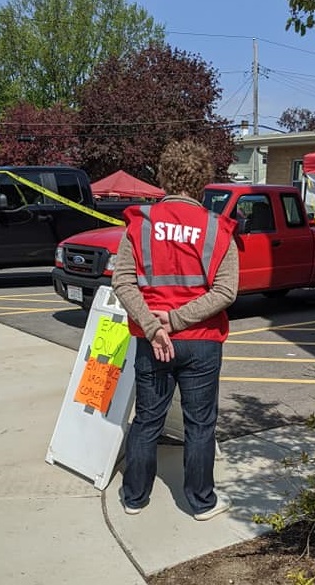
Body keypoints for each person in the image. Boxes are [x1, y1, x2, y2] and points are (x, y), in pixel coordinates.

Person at [111, 139, 239, 521]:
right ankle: (201, 502)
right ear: (202, 181)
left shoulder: (140, 225)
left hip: (154, 343)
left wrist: (154, 325)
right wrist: (179, 319)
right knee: (200, 425)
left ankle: (134, 497)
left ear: (164, 177)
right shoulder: (218, 229)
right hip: (201, 342)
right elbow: (226, 290)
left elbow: (122, 281)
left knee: (148, 418)